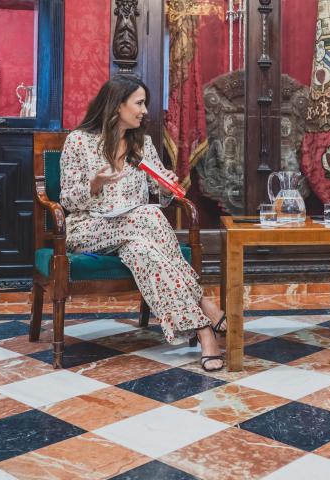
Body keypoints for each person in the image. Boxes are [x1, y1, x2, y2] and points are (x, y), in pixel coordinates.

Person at [60, 75, 227, 371]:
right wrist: (95, 184)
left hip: (136, 233)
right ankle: (205, 304)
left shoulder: (143, 145)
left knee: (142, 249)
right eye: (139, 103)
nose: (145, 111)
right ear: (116, 106)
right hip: (87, 228)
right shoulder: (78, 142)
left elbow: (160, 195)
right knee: (148, 215)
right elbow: (68, 201)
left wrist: (167, 187)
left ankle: (203, 333)